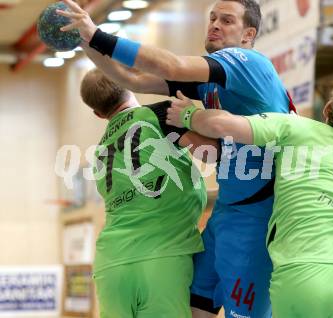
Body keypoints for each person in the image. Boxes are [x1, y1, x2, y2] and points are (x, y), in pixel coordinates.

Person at [58, 1, 294, 317]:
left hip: (257, 216)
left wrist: (96, 35)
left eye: (227, 20)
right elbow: (135, 81)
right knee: (197, 309)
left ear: (249, 35)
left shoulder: (247, 62)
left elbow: (170, 67)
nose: (215, 25)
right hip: (226, 212)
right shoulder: (210, 83)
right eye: (212, 18)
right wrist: (84, 42)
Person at [166, 77, 333, 318]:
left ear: (327, 108)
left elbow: (222, 125)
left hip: (300, 273)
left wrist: (187, 115)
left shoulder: (295, 128)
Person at [81, 68, 211, 318]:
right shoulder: (160, 114)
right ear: (130, 80)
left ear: (98, 114)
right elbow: (212, 152)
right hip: (161, 257)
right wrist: (197, 117)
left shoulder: (98, 154)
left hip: (110, 265)